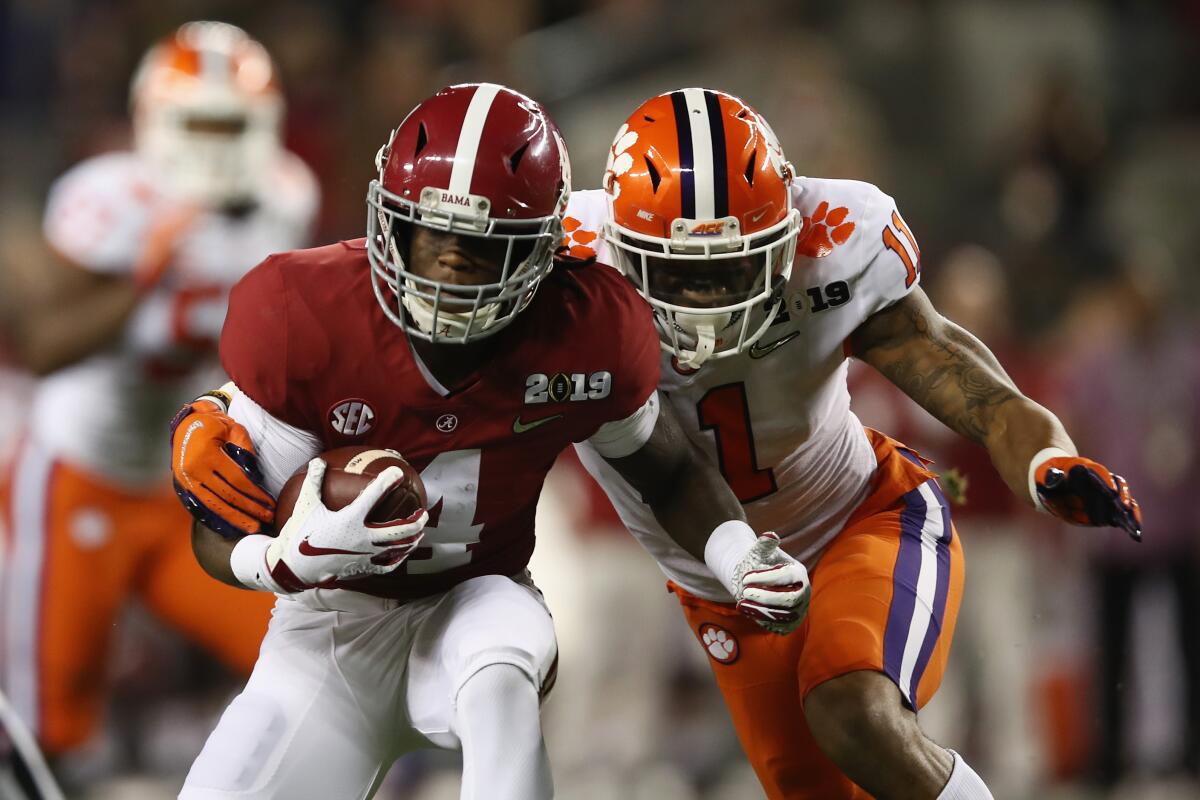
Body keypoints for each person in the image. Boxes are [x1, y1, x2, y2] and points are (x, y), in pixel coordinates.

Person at [165, 82, 808, 800]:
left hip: (477, 601)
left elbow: (667, 471)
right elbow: (219, 526)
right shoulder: (304, 314)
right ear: (387, 220)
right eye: (428, 233)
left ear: (541, 250)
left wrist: (738, 554)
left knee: (499, 673)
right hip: (328, 629)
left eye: (479, 248)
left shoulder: (589, 326)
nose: (445, 263)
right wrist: (277, 560)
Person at [557, 88, 1142, 799]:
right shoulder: (564, 269)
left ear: (783, 234)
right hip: (719, 583)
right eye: (682, 273)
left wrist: (1047, 458)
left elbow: (978, 388)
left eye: (732, 268)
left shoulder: (835, 244)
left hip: (862, 522)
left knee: (852, 712)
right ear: (622, 248)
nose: (709, 303)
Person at [0, 20, 317, 763]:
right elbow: (44, 347)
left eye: (230, 122)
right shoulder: (106, 200)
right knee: (46, 726)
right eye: (198, 121)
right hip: (82, 475)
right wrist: (142, 276)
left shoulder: (283, 194)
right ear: (154, 119)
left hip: (185, 482)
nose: (215, 142)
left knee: (294, 646)